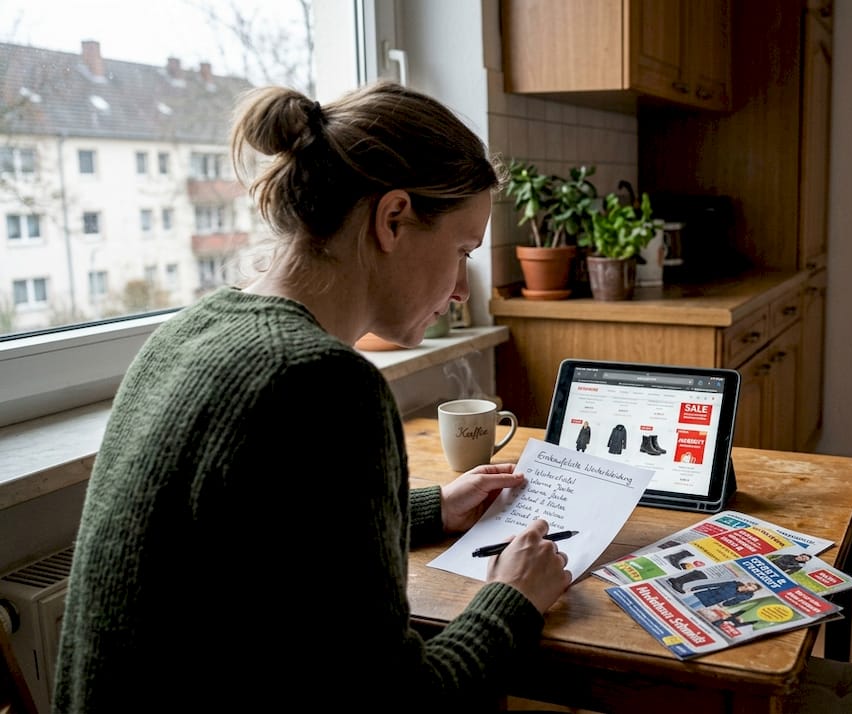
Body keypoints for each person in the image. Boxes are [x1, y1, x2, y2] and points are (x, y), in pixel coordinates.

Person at [53, 81, 571, 712]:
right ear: (393, 218)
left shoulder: (188, 332)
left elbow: (263, 533)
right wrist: (512, 599)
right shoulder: (322, 383)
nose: (463, 289)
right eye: (462, 250)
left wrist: (431, 509)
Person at [687, 580, 762, 609]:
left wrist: (725, 604)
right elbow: (715, 584)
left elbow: (734, 602)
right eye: (750, 585)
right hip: (703, 594)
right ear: (748, 583)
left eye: (752, 588)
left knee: (689, 610)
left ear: (753, 590)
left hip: (709, 602)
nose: (749, 587)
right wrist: (695, 588)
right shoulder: (734, 583)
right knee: (683, 603)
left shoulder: (747, 595)